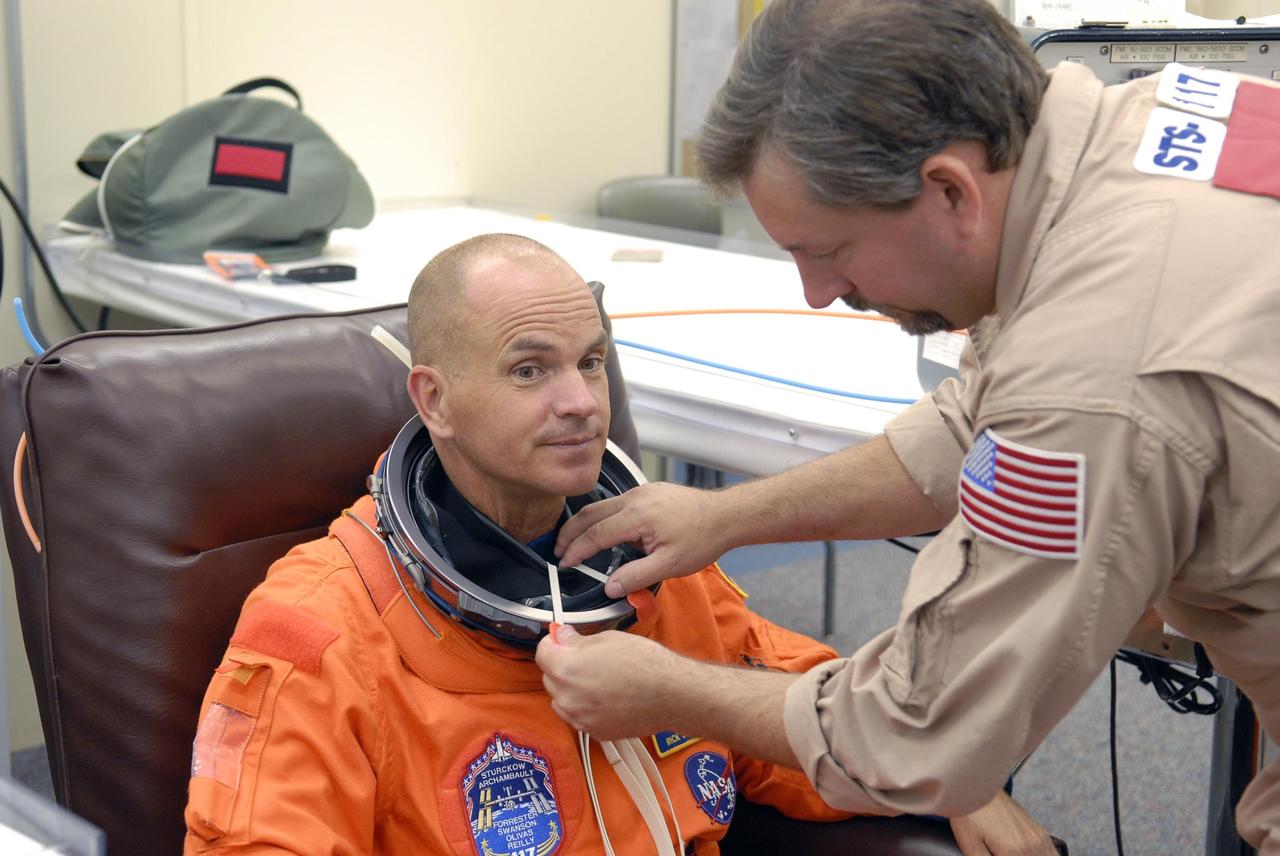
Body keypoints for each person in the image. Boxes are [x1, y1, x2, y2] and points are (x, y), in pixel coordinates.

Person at [537, 0, 1280, 851]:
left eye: (830, 251)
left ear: (948, 191)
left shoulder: (1094, 365)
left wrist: (674, 692)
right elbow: (974, 418)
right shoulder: (1139, 127)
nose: (818, 292)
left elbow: (922, 731)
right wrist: (723, 516)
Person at [182, 233, 1049, 854]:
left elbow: (788, 711)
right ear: (434, 400)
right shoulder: (320, 629)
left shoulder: (651, 564)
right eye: (531, 370)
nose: (583, 403)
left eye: (591, 362)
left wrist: (946, 778)